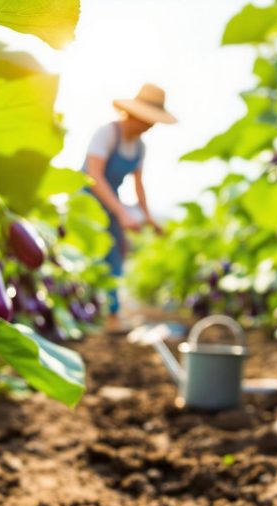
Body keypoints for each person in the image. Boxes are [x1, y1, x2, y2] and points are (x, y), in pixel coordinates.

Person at [82, 83, 177, 332]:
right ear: (134, 114)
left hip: (111, 202)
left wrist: (148, 217)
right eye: (147, 120)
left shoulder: (140, 147)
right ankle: (84, 312)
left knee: (115, 254)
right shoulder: (107, 133)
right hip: (87, 199)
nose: (150, 126)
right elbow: (93, 176)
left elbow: (139, 185)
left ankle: (112, 316)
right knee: (86, 254)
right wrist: (122, 213)